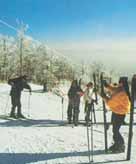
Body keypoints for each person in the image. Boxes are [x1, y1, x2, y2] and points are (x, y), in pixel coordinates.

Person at [101, 81, 130, 153]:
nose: (119, 84)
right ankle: (117, 144)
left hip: (120, 113)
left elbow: (110, 102)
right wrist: (107, 85)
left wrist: (104, 97)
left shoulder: (122, 93)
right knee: (114, 129)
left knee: (115, 130)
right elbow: (113, 89)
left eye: (120, 82)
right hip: (116, 111)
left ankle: (121, 145)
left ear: (122, 84)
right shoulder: (120, 89)